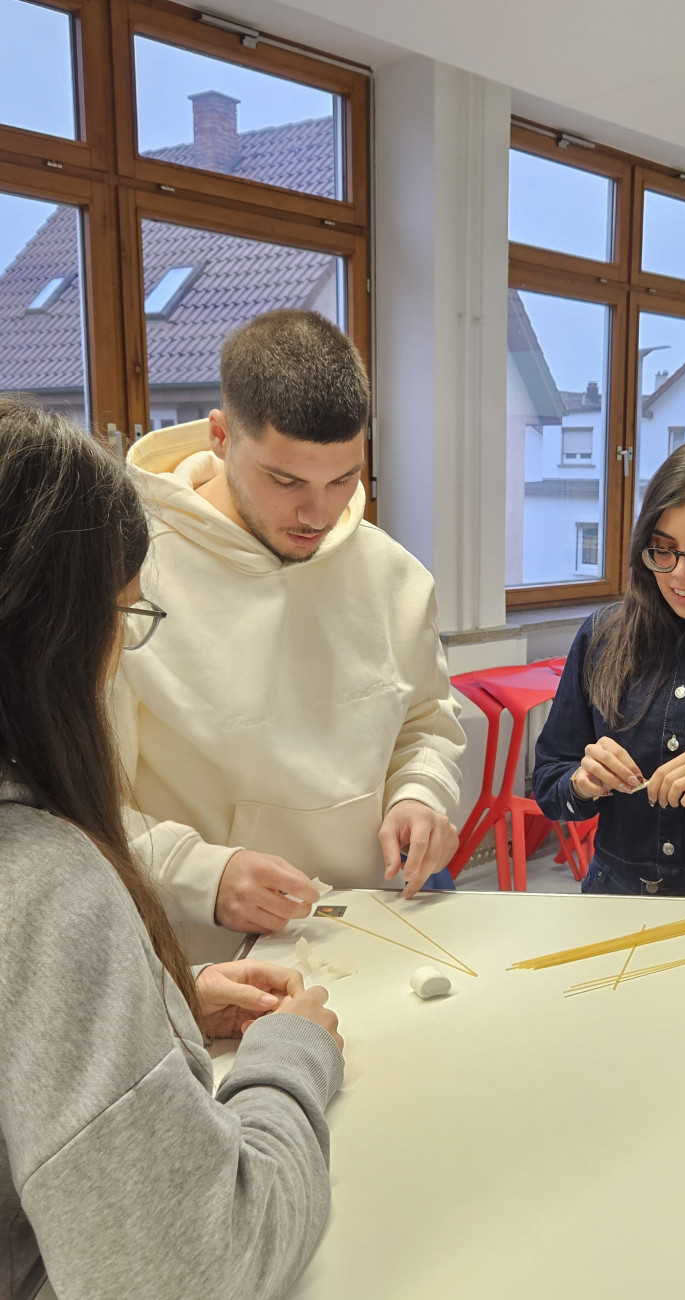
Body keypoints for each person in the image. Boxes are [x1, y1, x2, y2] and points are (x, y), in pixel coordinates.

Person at [0, 398, 344, 1300]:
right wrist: (287, 1058)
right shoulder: (45, 883)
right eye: (123, 614)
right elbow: (191, 1267)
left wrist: (155, 1019)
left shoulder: (381, 569)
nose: (318, 508)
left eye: (343, 480)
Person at [114, 310, 465, 945]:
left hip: (370, 934)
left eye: (344, 478)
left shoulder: (394, 577)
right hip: (203, 954)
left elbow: (426, 723)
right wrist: (201, 875)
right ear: (220, 436)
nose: (319, 512)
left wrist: (420, 792)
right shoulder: (126, 579)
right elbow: (77, 801)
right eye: (286, 480)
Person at [533, 436, 685, 897]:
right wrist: (581, 784)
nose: (680, 574)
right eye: (663, 549)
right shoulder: (604, 635)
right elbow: (549, 782)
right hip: (613, 898)